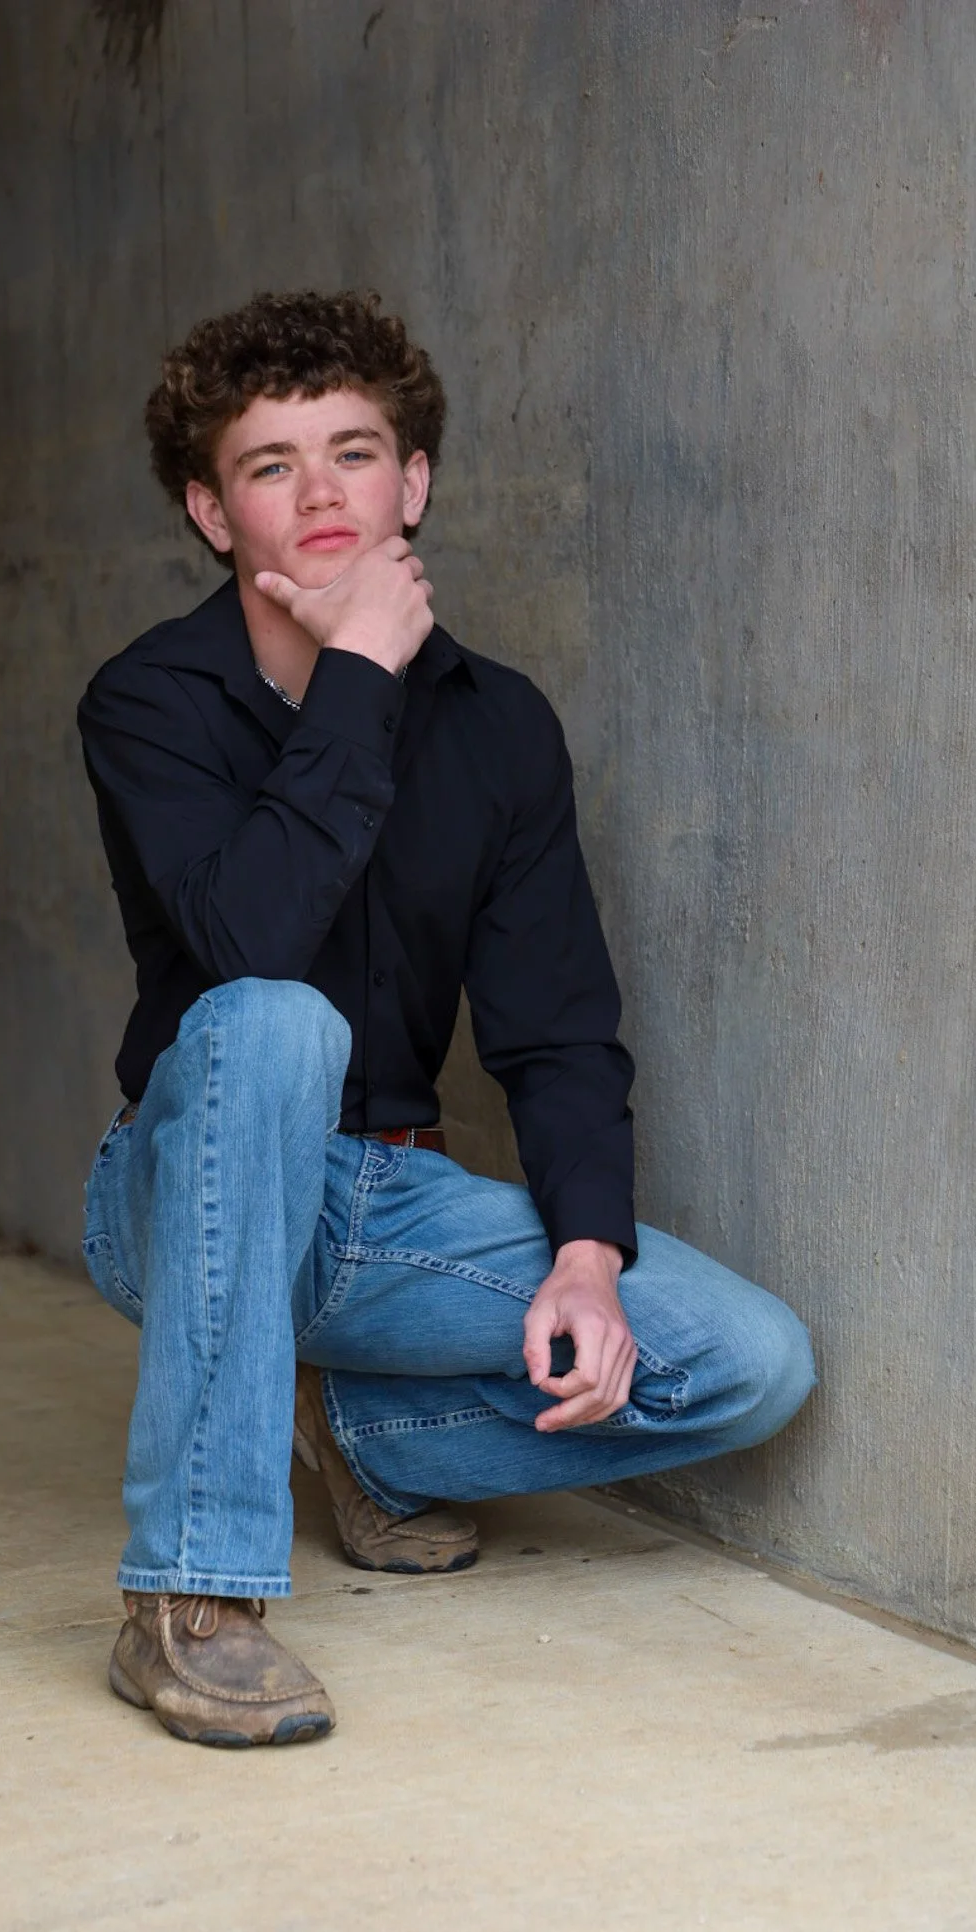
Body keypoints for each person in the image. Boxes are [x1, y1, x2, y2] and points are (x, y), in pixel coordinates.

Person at [77, 289, 814, 1749]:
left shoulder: (500, 726)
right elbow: (245, 944)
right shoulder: (149, 702)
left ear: (411, 481)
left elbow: (554, 1026)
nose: (320, 492)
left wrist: (590, 1261)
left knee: (747, 1361)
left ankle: (356, 1437)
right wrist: (354, 673)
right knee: (275, 1020)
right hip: (183, 1191)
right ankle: (193, 1599)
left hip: (383, 1209)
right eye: (270, 465)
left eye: (354, 451)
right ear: (215, 514)